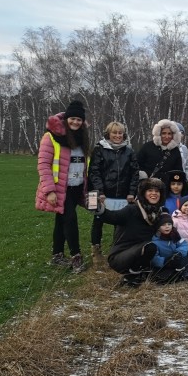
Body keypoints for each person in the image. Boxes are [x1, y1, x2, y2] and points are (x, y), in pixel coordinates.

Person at [35, 99, 89, 272]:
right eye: (72, 118)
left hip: (76, 187)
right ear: (66, 118)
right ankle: (76, 257)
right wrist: (49, 190)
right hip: (59, 189)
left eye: (79, 120)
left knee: (61, 220)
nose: (75, 122)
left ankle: (57, 255)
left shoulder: (82, 138)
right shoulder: (51, 136)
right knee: (70, 220)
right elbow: (43, 164)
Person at [95, 177, 168, 286]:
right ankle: (132, 275)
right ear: (143, 193)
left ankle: (139, 274)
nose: (154, 194)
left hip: (140, 252)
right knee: (149, 247)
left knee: (154, 248)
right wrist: (99, 209)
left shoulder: (157, 214)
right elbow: (113, 217)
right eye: (150, 191)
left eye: (157, 191)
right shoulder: (132, 209)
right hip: (120, 256)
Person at [87, 120, 140, 267]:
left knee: (120, 223)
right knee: (97, 221)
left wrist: (131, 192)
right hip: (99, 193)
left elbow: (134, 173)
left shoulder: (129, 151)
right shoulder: (99, 149)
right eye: (114, 132)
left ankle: (116, 250)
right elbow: (94, 172)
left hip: (121, 194)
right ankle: (96, 252)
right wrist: (100, 192)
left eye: (120, 133)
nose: (117, 135)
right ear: (108, 134)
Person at [149, 212, 188, 283]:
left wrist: (179, 252)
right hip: (164, 264)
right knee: (164, 276)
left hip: (176, 258)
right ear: (158, 228)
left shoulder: (175, 235)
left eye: (169, 224)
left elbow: (184, 244)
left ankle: (186, 272)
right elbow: (154, 258)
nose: (167, 226)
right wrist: (166, 261)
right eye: (163, 225)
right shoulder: (155, 241)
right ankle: (174, 274)